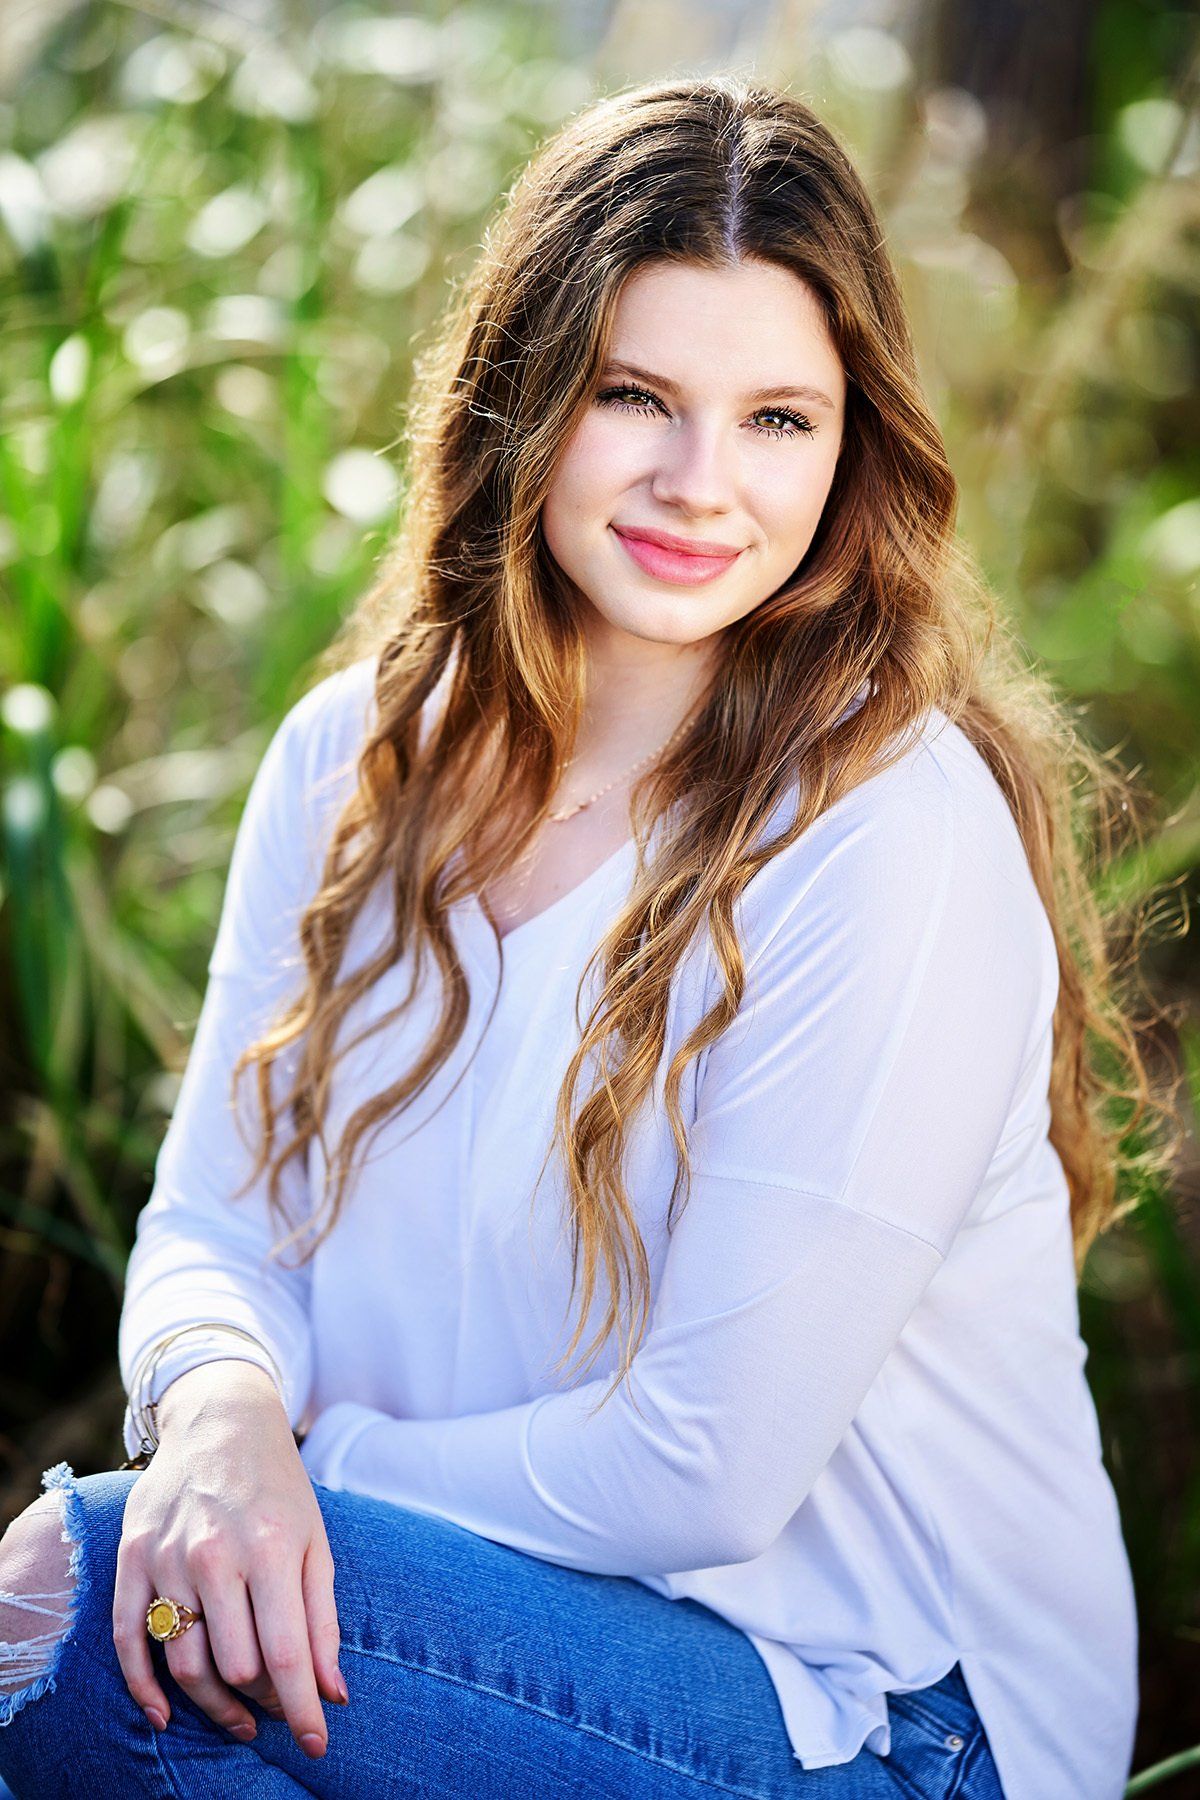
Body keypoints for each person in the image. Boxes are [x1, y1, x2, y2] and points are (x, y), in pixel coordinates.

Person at [0, 73, 1167, 1800]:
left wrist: (299, 1468)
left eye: (780, 417)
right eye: (639, 396)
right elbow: (213, 1222)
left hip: (878, 1709)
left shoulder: (884, 835)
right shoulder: (355, 758)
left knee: (80, 1610)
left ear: (858, 443)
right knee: (164, 1729)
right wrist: (220, 1406)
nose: (705, 484)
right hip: (486, 1626)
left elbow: (700, 1476)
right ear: (525, 398)